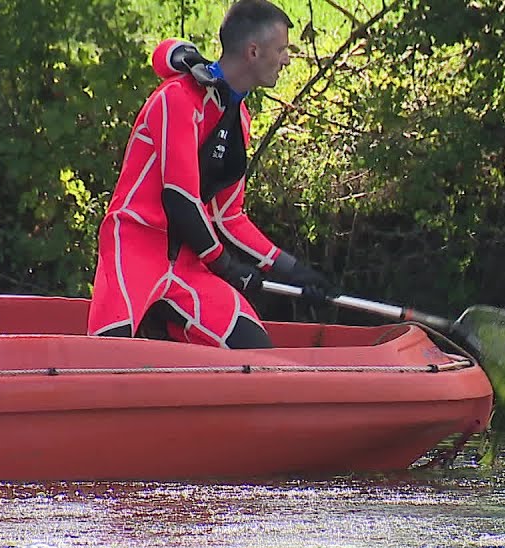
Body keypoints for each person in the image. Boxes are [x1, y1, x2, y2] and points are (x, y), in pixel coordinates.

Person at [88, 0, 331, 349]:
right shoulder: (178, 98)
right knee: (105, 358)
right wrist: (227, 267)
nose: (287, 59)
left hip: (188, 263)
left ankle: (168, 331)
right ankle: (157, 326)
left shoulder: (239, 119)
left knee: (255, 351)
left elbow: (228, 216)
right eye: (282, 49)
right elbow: (181, 200)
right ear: (253, 51)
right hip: (135, 247)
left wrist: (293, 270)